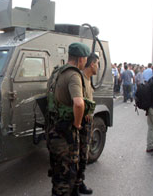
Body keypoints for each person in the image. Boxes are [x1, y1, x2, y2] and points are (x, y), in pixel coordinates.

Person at [46, 42, 90, 196]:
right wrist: (77, 124)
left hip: (53, 129)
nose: (86, 62)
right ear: (80, 59)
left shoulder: (57, 72)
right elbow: (78, 103)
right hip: (65, 133)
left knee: (57, 172)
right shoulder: (74, 75)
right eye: (85, 59)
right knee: (67, 175)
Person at [71, 54, 99, 196]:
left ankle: (80, 182)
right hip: (81, 125)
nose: (98, 67)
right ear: (92, 64)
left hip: (86, 124)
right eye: (97, 64)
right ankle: (74, 187)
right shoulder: (79, 79)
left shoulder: (87, 80)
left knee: (83, 157)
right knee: (78, 156)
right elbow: (76, 102)